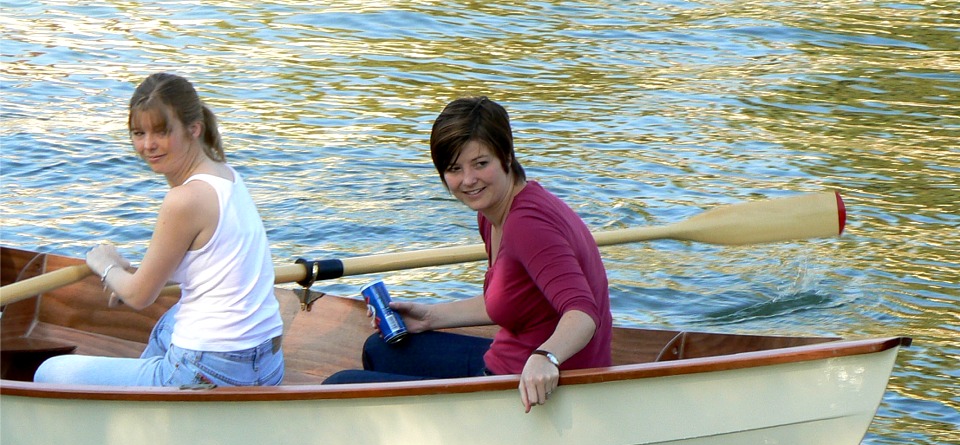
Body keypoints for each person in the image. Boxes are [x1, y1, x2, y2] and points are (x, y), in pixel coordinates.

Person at [325, 96, 612, 412]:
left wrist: (546, 357)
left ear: (506, 154)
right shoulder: (493, 211)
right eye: (454, 169)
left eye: (481, 163)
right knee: (381, 348)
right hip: (506, 362)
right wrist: (429, 317)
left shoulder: (528, 225)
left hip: (529, 388)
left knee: (336, 388)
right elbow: (513, 301)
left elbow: (584, 314)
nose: (468, 181)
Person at [34, 73, 284, 387]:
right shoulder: (226, 174)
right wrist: (134, 277)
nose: (148, 145)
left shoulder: (183, 200)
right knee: (169, 324)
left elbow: (140, 295)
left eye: (161, 132)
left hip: (213, 371)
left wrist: (104, 263)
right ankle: (143, 402)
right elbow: (193, 263)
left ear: (194, 130)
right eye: (139, 133)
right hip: (269, 363)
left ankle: (150, 397)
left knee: (48, 373)